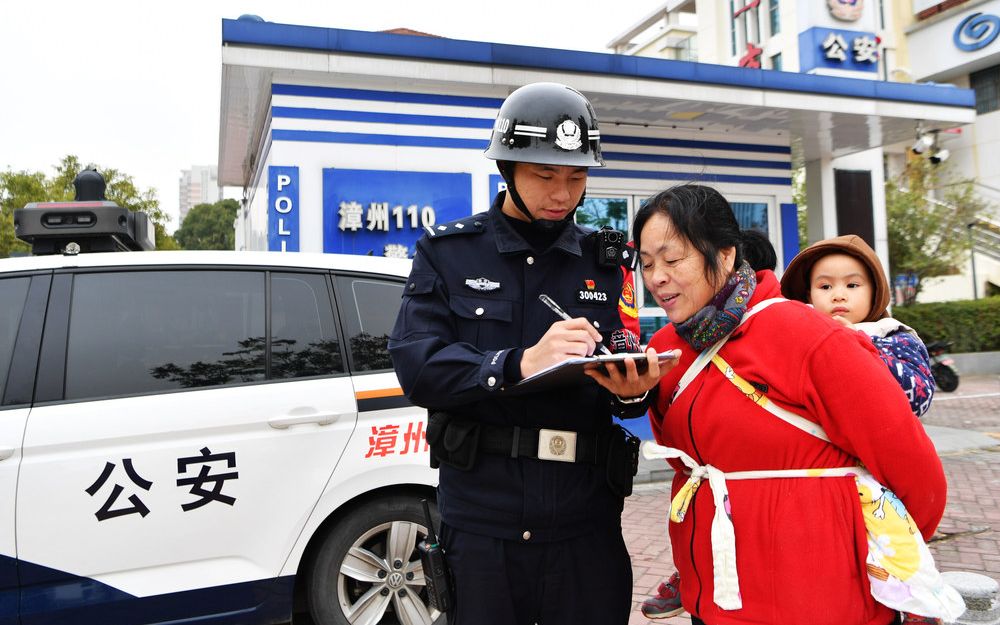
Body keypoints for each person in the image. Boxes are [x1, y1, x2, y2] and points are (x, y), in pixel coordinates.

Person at [388, 82, 673, 625]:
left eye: (577, 176)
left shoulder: (607, 262)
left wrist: (634, 396)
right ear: (508, 170)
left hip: (586, 523)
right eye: (546, 175)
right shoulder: (447, 253)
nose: (562, 193)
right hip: (483, 525)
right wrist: (516, 363)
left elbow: (625, 363)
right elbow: (416, 365)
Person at [635, 184, 951, 625]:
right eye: (647, 264)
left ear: (725, 255)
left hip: (822, 599)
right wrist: (637, 393)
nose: (656, 277)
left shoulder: (811, 337)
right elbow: (687, 459)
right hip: (714, 595)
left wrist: (875, 555)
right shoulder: (668, 346)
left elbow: (918, 476)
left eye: (672, 260)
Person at [780, 234, 935, 420]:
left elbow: (919, 401)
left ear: (875, 291)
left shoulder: (894, 337)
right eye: (825, 286)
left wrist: (860, 345)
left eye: (852, 285)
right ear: (809, 295)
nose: (838, 295)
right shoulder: (799, 338)